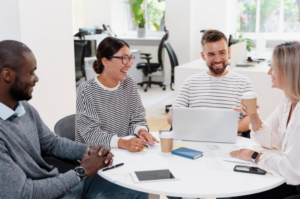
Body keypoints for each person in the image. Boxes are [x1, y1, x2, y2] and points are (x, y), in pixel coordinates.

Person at [0, 40, 147, 199]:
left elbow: (52, 143)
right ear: (8, 75)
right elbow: (23, 193)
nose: (36, 79)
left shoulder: (25, 109)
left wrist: (92, 153)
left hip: (64, 182)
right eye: (30, 73)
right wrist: (81, 172)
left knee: (138, 188)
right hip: (52, 192)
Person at [230, 42, 300, 199]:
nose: (269, 72)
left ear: (287, 72)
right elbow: (271, 140)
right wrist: (253, 115)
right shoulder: (288, 100)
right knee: (238, 190)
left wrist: (256, 156)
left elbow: (293, 171)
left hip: (295, 184)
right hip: (289, 179)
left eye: (273, 67)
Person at [76, 37, 159, 152]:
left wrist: (141, 131)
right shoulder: (86, 90)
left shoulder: (129, 83)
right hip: (95, 155)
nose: (129, 64)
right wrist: (123, 143)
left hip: (123, 152)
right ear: (105, 62)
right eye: (124, 58)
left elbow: (137, 117)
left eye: (130, 58)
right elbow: (91, 135)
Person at [167, 29, 253, 134]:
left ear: (229, 52)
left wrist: (219, 128)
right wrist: (204, 127)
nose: (217, 59)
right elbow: (172, 117)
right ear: (203, 56)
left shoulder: (243, 82)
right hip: (196, 140)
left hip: (231, 144)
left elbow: (251, 119)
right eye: (211, 54)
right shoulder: (190, 82)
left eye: (222, 53)